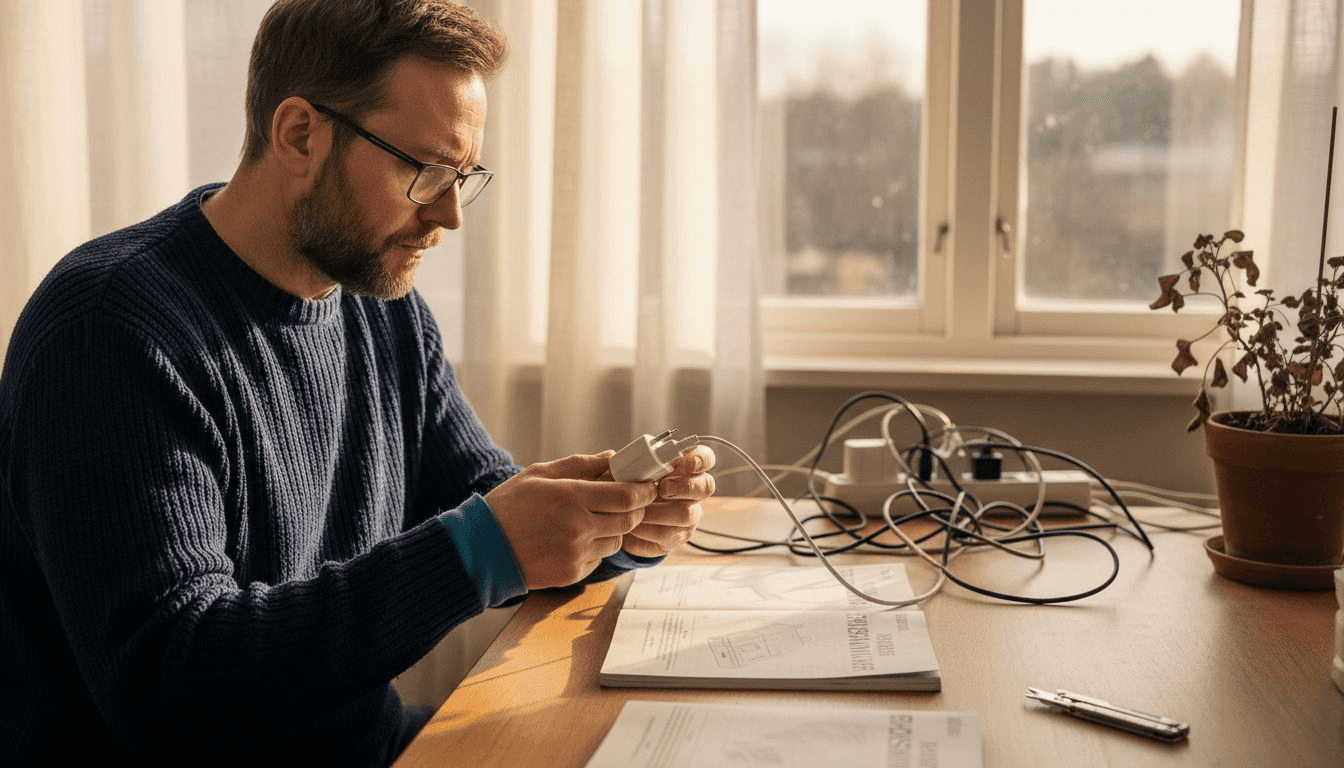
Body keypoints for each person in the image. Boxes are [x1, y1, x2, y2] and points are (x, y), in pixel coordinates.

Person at [0, 1, 715, 765]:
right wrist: (483, 549)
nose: (449, 215)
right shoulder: (109, 331)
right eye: (424, 171)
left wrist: (614, 527)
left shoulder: (381, 308)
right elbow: (174, 680)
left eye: (462, 177)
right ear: (300, 135)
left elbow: (484, 501)